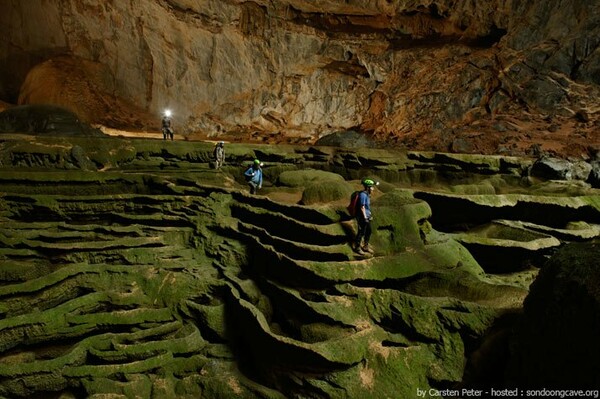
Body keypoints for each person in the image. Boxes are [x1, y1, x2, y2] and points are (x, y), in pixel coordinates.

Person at [353, 178, 379, 255]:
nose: (373, 189)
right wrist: (364, 218)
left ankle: (365, 246)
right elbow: (362, 207)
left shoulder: (367, 194)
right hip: (362, 217)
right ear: (368, 187)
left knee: (369, 231)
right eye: (372, 187)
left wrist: (369, 215)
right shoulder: (363, 195)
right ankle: (357, 248)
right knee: (361, 232)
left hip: (367, 216)